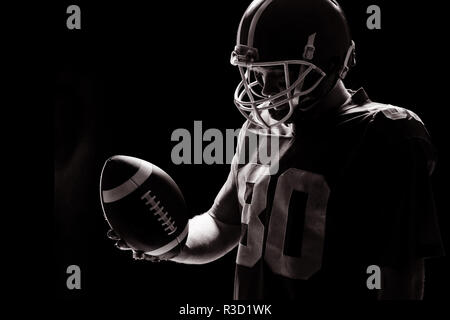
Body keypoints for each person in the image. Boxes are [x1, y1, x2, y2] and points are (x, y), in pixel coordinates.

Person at [108, 0, 444, 300]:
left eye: (279, 75)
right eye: (257, 73)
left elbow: (402, 272)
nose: (266, 90)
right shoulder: (260, 131)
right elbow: (223, 223)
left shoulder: (383, 133)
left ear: (325, 64)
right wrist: (172, 243)